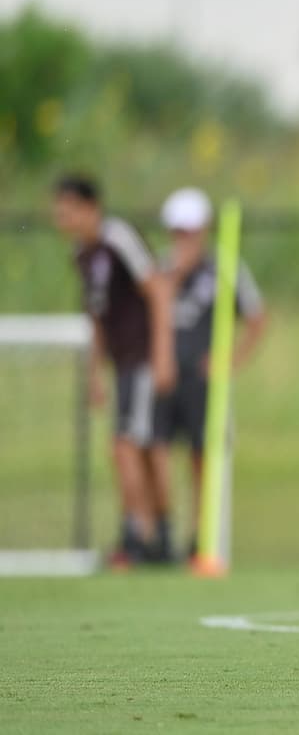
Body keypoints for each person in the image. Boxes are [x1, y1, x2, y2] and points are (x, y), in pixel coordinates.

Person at [52, 174, 176, 566]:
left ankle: (136, 536)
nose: (61, 218)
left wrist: (162, 354)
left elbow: (157, 290)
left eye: (68, 209)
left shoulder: (118, 238)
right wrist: (94, 374)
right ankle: (159, 538)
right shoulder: (82, 255)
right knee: (140, 448)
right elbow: (97, 316)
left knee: (126, 446)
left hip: (141, 358)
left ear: (91, 207)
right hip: (121, 363)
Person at [152, 187, 267, 560]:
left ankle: (201, 536)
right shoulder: (162, 269)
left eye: (190, 231)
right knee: (156, 450)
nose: (183, 239)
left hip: (203, 382)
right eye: (177, 231)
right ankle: (160, 534)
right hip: (165, 374)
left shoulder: (224, 267)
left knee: (203, 456)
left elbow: (256, 318)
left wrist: (230, 361)